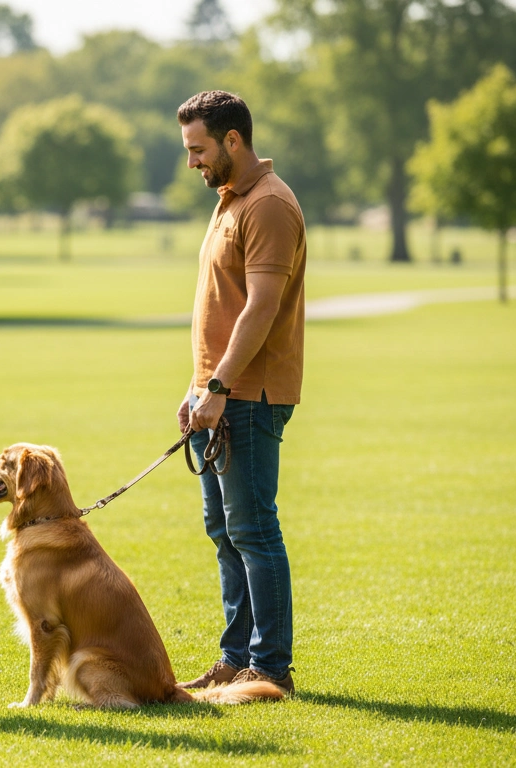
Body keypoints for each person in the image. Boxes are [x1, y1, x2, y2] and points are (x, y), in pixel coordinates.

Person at [173, 91, 307, 695]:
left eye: (199, 150)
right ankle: (235, 660)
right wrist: (197, 385)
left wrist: (220, 385)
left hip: (248, 393)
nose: (193, 162)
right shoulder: (229, 201)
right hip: (220, 391)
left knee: (253, 531)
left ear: (233, 140)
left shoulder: (270, 206)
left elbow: (260, 308)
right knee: (225, 532)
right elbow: (221, 308)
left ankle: (270, 669)